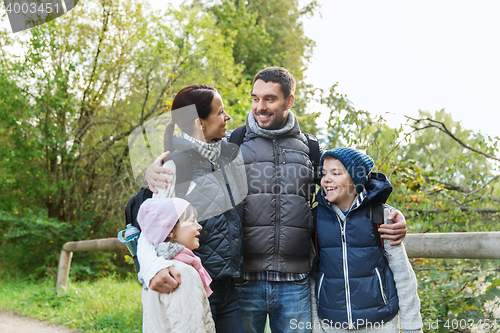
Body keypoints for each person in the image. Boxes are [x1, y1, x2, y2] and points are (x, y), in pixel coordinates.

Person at [144, 67, 408, 333]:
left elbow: (349, 181)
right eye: (255, 98)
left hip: (295, 284)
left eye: (269, 99)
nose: (260, 107)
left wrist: (385, 209)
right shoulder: (229, 144)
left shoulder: (311, 149)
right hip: (242, 283)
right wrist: (152, 173)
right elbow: (158, 204)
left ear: (289, 101)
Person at [137, 85, 247, 332]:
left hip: (231, 287)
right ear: (200, 122)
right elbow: (151, 231)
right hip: (197, 286)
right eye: (220, 112)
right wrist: (151, 268)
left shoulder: (225, 156)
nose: (226, 117)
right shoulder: (176, 166)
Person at [312, 148, 422, 332]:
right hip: (331, 325)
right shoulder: (316, 220)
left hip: (381, 324)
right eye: (324, 174)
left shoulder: (380, 216)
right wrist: (316, 326)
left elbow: (403, 275)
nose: (326, 179)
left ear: (355, 180)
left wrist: (413, 327)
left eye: (335, 173)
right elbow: (312, 277)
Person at [138, 197, 216, 333]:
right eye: (192, 221)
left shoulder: (154, 272)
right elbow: (190, 328)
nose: (199, 226)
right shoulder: (181, 272)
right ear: (170, 230)